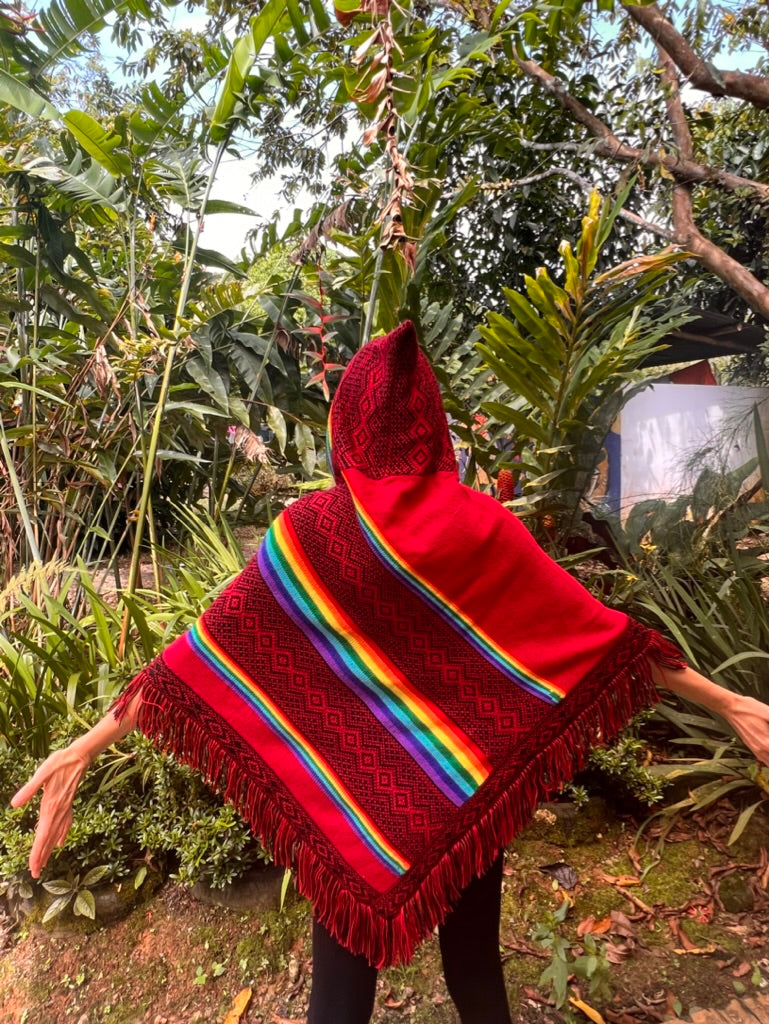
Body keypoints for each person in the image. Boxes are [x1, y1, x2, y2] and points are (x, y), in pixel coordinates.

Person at [12, 321, 769, 1024]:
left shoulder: (310, 534)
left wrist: (85, 745)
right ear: (433, 427)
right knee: (475, 968)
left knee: (339, 994)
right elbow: (598, 640)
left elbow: (194, 662)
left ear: (346, 428)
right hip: (464, 782)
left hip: (351, 802)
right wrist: (727, 700)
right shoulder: (480, 526)